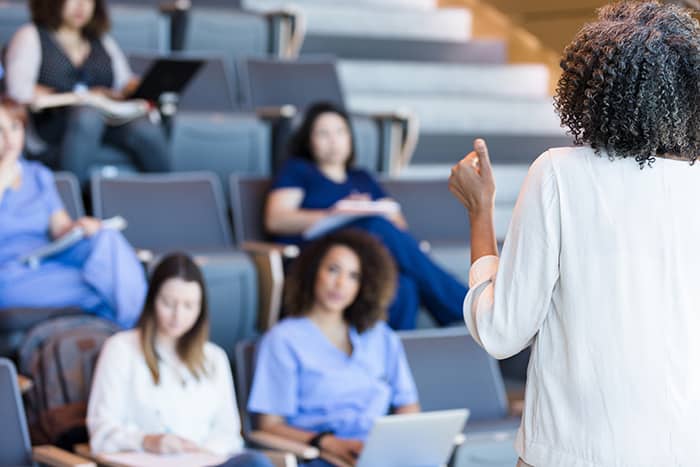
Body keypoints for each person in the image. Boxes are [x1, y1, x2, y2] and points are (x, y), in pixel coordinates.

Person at [448, 2, 700, 467]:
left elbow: (502, 330)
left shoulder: (560, 174)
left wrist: (479, 211)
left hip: (572, 453)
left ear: (592, 87)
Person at [265, 101, 467, 330]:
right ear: (309, 140)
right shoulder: (299, 171)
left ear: (350, 138)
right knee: (374, 225)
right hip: (319, 253)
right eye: (323, 133)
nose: (333, 140)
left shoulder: (362, 177)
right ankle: (461, 306)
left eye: (340, 132)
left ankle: (396, 354)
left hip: (365, 257)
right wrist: (335, 213)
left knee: (405, 284)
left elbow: (398, 224)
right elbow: (277, 219)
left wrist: (370, 211)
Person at [248, 230, 420, 467]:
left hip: (379, 454)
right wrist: (327, 443)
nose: (340, 284)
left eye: (354, 276)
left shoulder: (381, 336)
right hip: (322, 454)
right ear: (313, 272)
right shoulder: (283, 340)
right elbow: (269, 425)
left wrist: (399, 445)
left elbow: (408, 405)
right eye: (333, 270)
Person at [87, 253, 273, 467]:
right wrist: (147, 441)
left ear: (201, 308)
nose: (178, 316)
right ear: (152, 300)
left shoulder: (214, 358)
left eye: (189, 306)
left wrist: (201, 451)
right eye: (168, 303)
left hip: (204, 462)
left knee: (255, 462)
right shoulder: (121, 349)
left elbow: (229, 435)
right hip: (146, 463)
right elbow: (102, 432)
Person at [0, 96, 145, 328]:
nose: (9, 140)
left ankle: (131, 329)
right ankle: (137, 332)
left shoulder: (38, 175)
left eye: (15, 128)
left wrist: (78, 228)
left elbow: (60, 228)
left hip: (47, 259)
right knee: (104, 286)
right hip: (10, 274)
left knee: (106, 238)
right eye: (0, 131)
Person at [4, 0, 169, 185]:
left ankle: (169, 194)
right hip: (53, 125)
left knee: (144, 128)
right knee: (87, 116)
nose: (81, 5)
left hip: (107, 120)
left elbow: (123, 82)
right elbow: (18, 91)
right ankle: (69, 202)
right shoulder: (31, 35)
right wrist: (79, 95)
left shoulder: (101, 39)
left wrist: (144, 86)